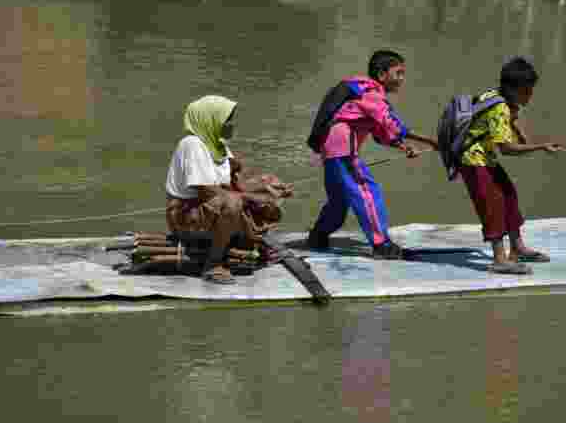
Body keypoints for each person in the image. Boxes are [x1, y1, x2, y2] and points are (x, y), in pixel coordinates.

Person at [305, 50, 438, 259]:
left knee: (339, 199)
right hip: (343, 149)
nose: (401, 79)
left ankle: (318, 235)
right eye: (398, 73)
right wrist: (430, 141)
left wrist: (402, 146)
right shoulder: (371, 93)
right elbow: (392, 123)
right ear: (382, 74)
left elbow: (380, 131)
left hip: (331, 149)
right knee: (366, 192)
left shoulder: (360, 90)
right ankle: (381, 244)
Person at [165, 95, 292, 285]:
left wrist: (269, 188)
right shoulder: (192, 144)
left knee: (266, 186)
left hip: (213, 206)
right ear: (211, 120)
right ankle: (214, 263)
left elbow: (237, 181)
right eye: (227, 120)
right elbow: (205, 191)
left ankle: (242, 241)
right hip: (186, 217)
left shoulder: (218, 144)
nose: (231, 124)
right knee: (234, 203)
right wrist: (251, 197)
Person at [458, 57, 562, 275]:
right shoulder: (499, 108)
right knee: (492, 204)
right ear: (512, 89)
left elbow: (510, 118)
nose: (530, 96)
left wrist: (519, 131)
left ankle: (517, 247)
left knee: (508, 194)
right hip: (473, 160)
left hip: (485, 157)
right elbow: (505, 148)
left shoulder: (496, 94)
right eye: (526, 91)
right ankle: (499, 259)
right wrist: (540, 147)